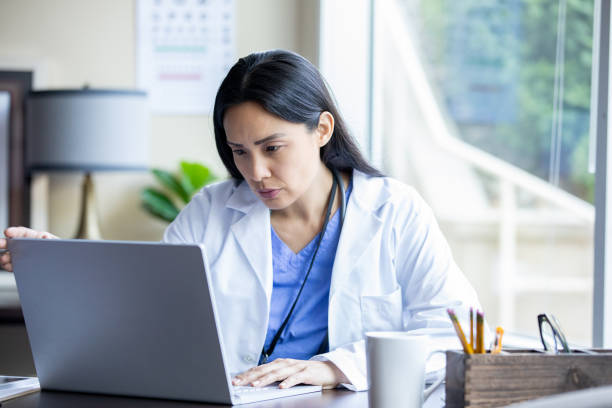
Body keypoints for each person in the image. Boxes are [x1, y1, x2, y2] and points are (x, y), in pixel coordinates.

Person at [0, 49, 481, 391]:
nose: (256, 172)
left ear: (322, 129)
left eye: (273, 148)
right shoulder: (210, 212)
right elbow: (141, 314)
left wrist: (336, 368)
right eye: (239, 152)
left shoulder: (395, 211)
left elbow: (455, 333)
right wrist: (56, 263)